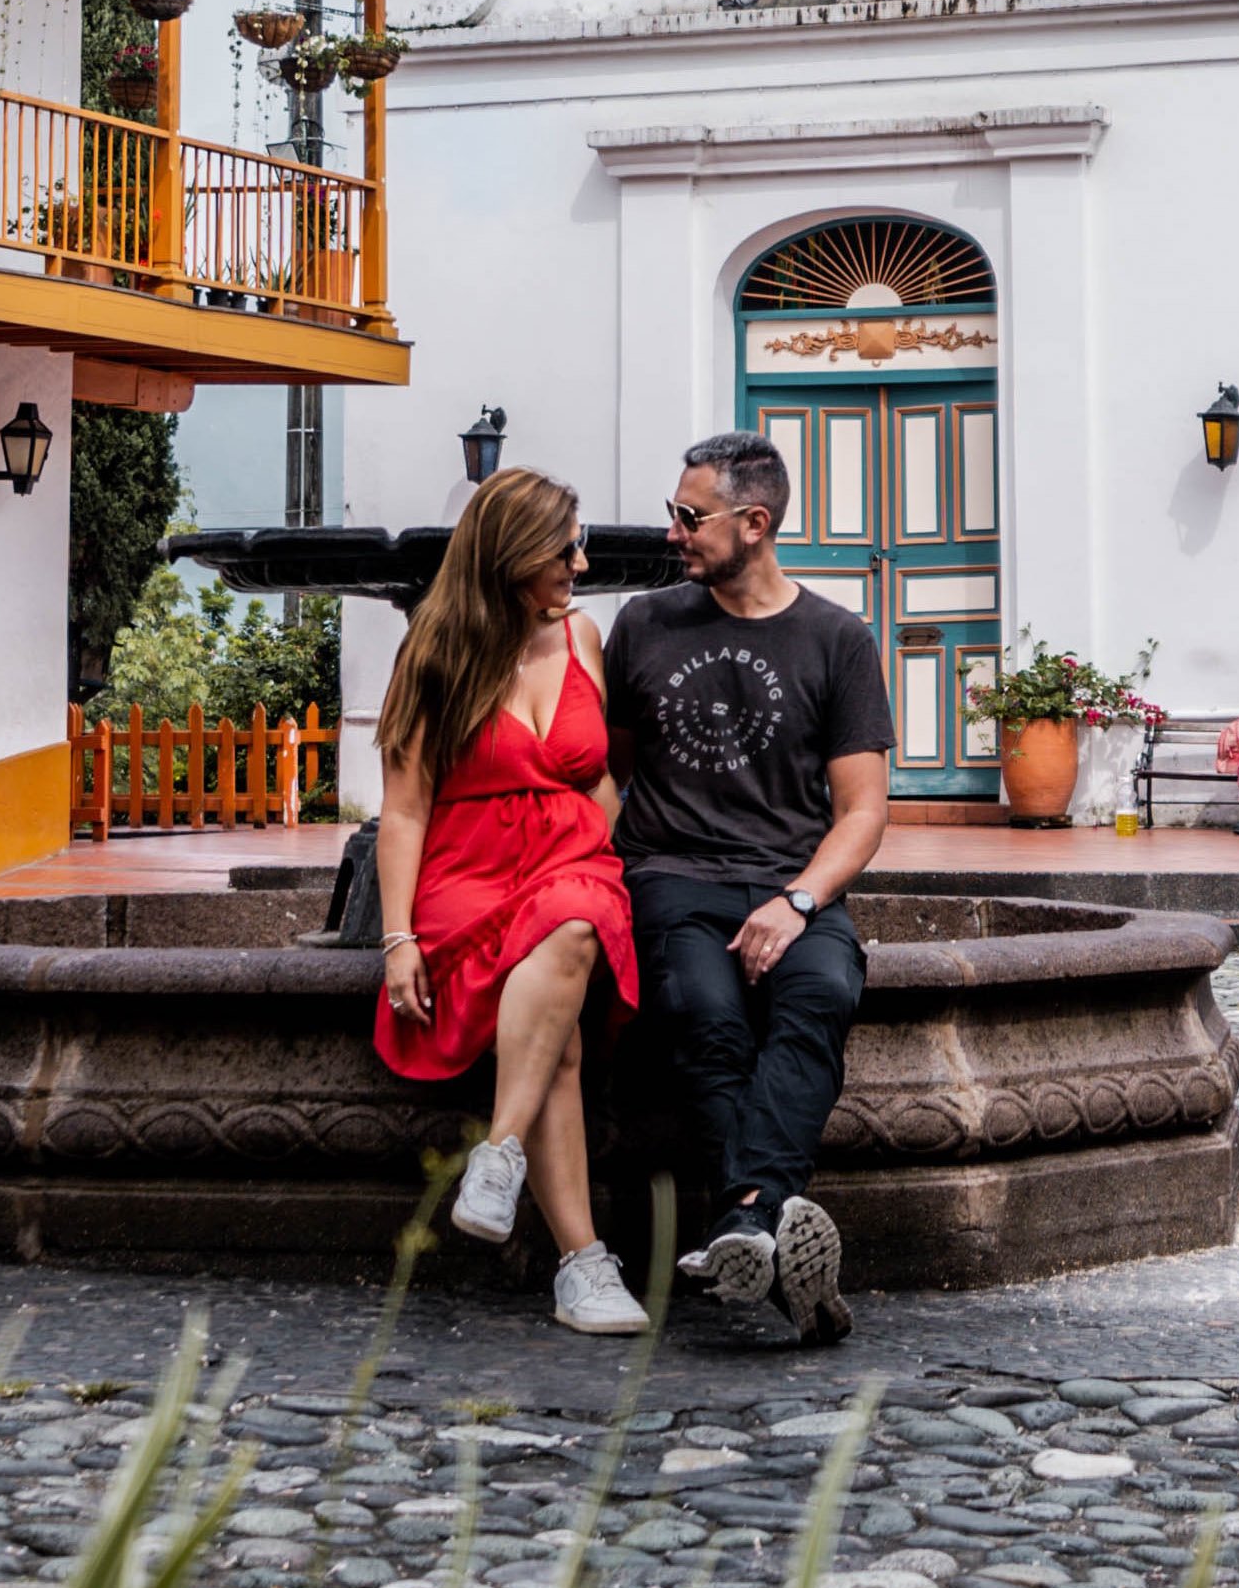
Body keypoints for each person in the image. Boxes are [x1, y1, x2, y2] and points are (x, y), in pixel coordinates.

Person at [605, 428, 892, 1346]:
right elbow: (606, 768)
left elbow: (862, 814)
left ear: (755, 523)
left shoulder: (838, 640)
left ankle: (744, 1225)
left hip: (792, 887)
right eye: (675, 514)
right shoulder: (644, 624)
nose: (674, 533)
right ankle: (766, 1221)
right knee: (705, 1015)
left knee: (821, 996)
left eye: (691, 517)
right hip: (672, 877)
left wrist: (799, 901)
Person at [371, 466, 653, 1338]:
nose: (581, 560)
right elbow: (407, 807)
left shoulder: (584, 638)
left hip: (572, 863)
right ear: (511, 555)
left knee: (573, 922)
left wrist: (595, 838)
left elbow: (604, 772)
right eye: (564, 546)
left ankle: (499, 1154)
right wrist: (396, 939)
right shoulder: (435, 653)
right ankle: (582, 1264)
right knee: (557, 1039)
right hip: (467, 876)